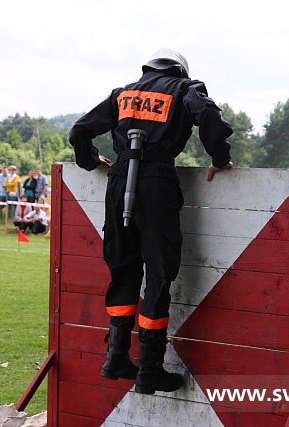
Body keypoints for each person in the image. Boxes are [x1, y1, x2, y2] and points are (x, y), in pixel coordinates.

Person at [69, 48, 233, 395]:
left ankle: (115, 358)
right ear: (179, 69)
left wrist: (89, 160)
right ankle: (149, 369)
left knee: (123, 269)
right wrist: (220, 157)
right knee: (158, 274)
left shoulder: (123, 94)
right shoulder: (185, 89)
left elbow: (80, 130)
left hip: (118, 179)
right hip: (156, 181)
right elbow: (210, 118)